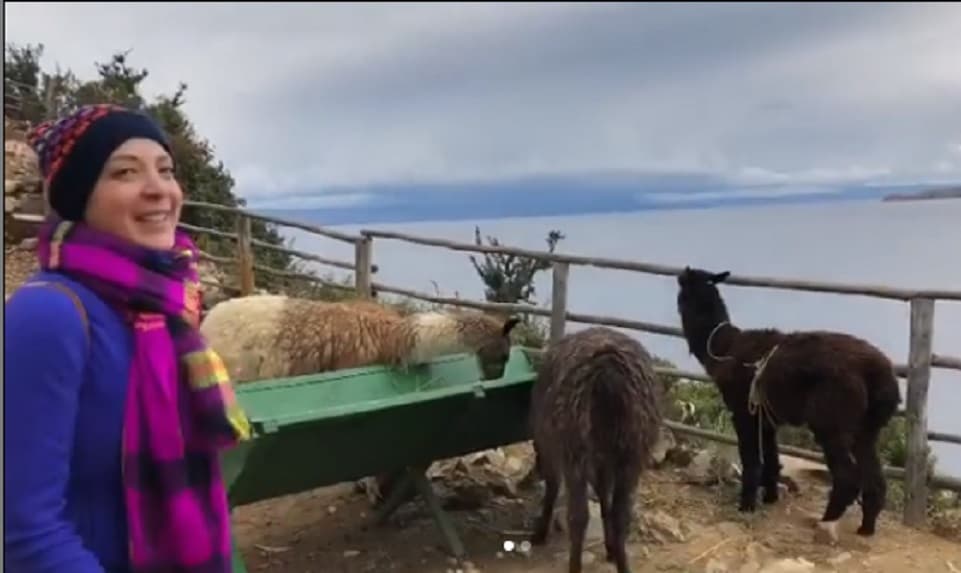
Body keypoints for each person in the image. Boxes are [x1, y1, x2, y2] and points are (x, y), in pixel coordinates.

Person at [4, 103, 252, 573]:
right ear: (79, 196)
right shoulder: (48, 315)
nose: (159, 189)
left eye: (166, 170)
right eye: (125, 172)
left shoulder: (165, 311)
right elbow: (24, 532)